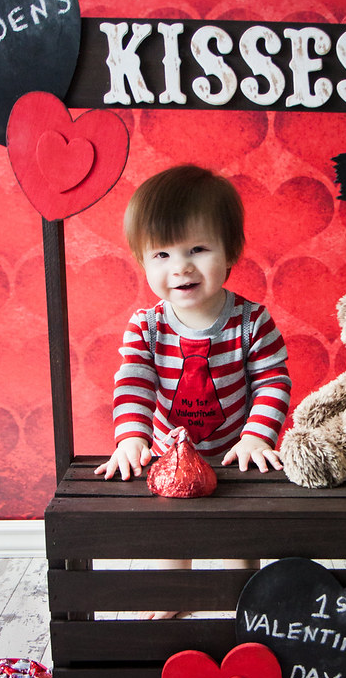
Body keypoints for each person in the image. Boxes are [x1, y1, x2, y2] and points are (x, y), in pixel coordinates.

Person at [95, 164, 291, 617]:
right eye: (161, 254)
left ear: (230, 251)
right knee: (172, 532)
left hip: (234, 454)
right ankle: (174, 595)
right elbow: (134, 381)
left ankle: (242, 600)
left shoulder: (251, 322)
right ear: (142, 261)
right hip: (169, 452)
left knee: (239, 535)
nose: (180, 267)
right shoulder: (147, 326)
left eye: (197, 249)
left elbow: (273, 380)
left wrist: (257, 437)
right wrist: (131, 437)